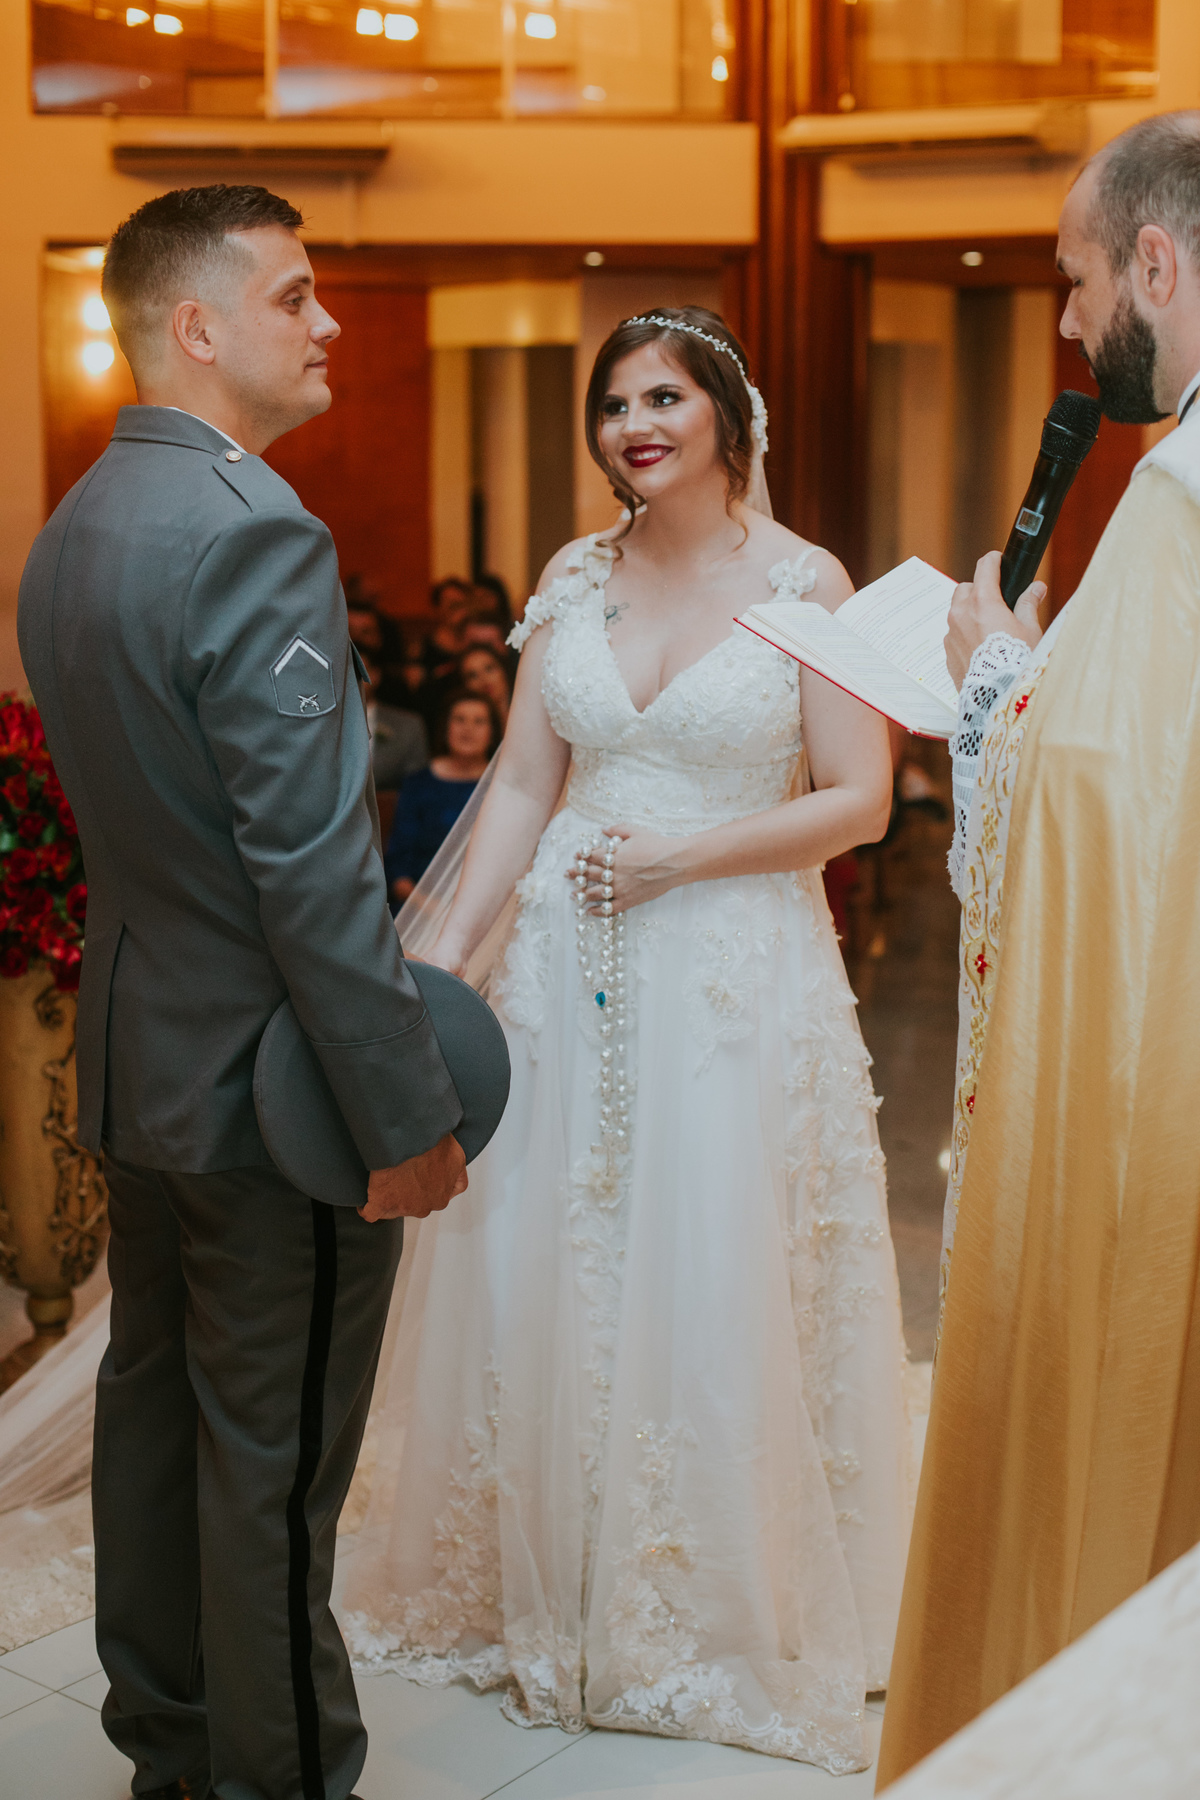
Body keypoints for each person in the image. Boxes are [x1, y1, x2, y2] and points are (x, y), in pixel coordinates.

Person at [343, 307, 913, 1772]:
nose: (635, 425)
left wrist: (683, 858)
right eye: (614, 404)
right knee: (553, 1251)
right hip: (563, 962)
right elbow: (526, 787)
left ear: (728, 414)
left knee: (710, 1256)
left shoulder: (806, 584)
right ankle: (537, 1575)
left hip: (733, 973)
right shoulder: (572, 578)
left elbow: (859, 799)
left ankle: (701, 1598)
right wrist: (445, 973)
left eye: (664, 396)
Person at [17, 183, 467, 1800]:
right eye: (294, 295)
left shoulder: (74, 528)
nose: (327, 322)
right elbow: (313, 872)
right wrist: (402, 1114)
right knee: (269, 1469)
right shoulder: (253, 531)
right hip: (277, 1100)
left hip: (144, 1068)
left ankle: (173, 1750)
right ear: (197, 327)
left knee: (155, 1424)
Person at [876, 111, 1200, 1787]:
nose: (1070, 325)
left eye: (1076, 282)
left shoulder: (1184, 491)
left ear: (1156, 260)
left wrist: (994, 672)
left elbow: (1116, 798)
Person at [384, 691, 499, 904]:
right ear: (446, 727)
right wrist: (431, 910)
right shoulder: (418, 784)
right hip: (421, 905)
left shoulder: (503, 786)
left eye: (479, 721)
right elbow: (398, 867)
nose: (468, 729)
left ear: (492, 732)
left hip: (488, 906)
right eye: (460, 719)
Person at [360, 647, 429, 792]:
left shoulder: (408, 725)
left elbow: (416, 784)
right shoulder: (319, 724)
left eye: (357, 672)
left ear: (374, 676)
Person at [458, 641, 513, 727]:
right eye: (473, 676)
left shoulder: (531, 709)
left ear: (503, 670)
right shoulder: (470, 729)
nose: (483, 679)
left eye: (489, 669)